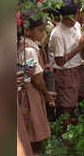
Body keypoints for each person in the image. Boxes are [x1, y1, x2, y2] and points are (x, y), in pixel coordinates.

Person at [47, 0, 84, 125]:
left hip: (79, 69)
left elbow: (81, 43)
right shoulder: (58, 34)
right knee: (67, 105)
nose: (72, 20)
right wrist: (80, 47)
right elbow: (60, 61)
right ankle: (66, 135)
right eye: (68, 18)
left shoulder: (76, 26)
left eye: (75, 16)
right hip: (65, 73)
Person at [17, 10, 56, 155]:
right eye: (40, 30)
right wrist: (47, 95)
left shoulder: (23, 45)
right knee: (34, 127)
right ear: (27, 30)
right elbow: (37, 79)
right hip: (30, 93)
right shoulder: (30, 50)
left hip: (24, 92)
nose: (43, 34)